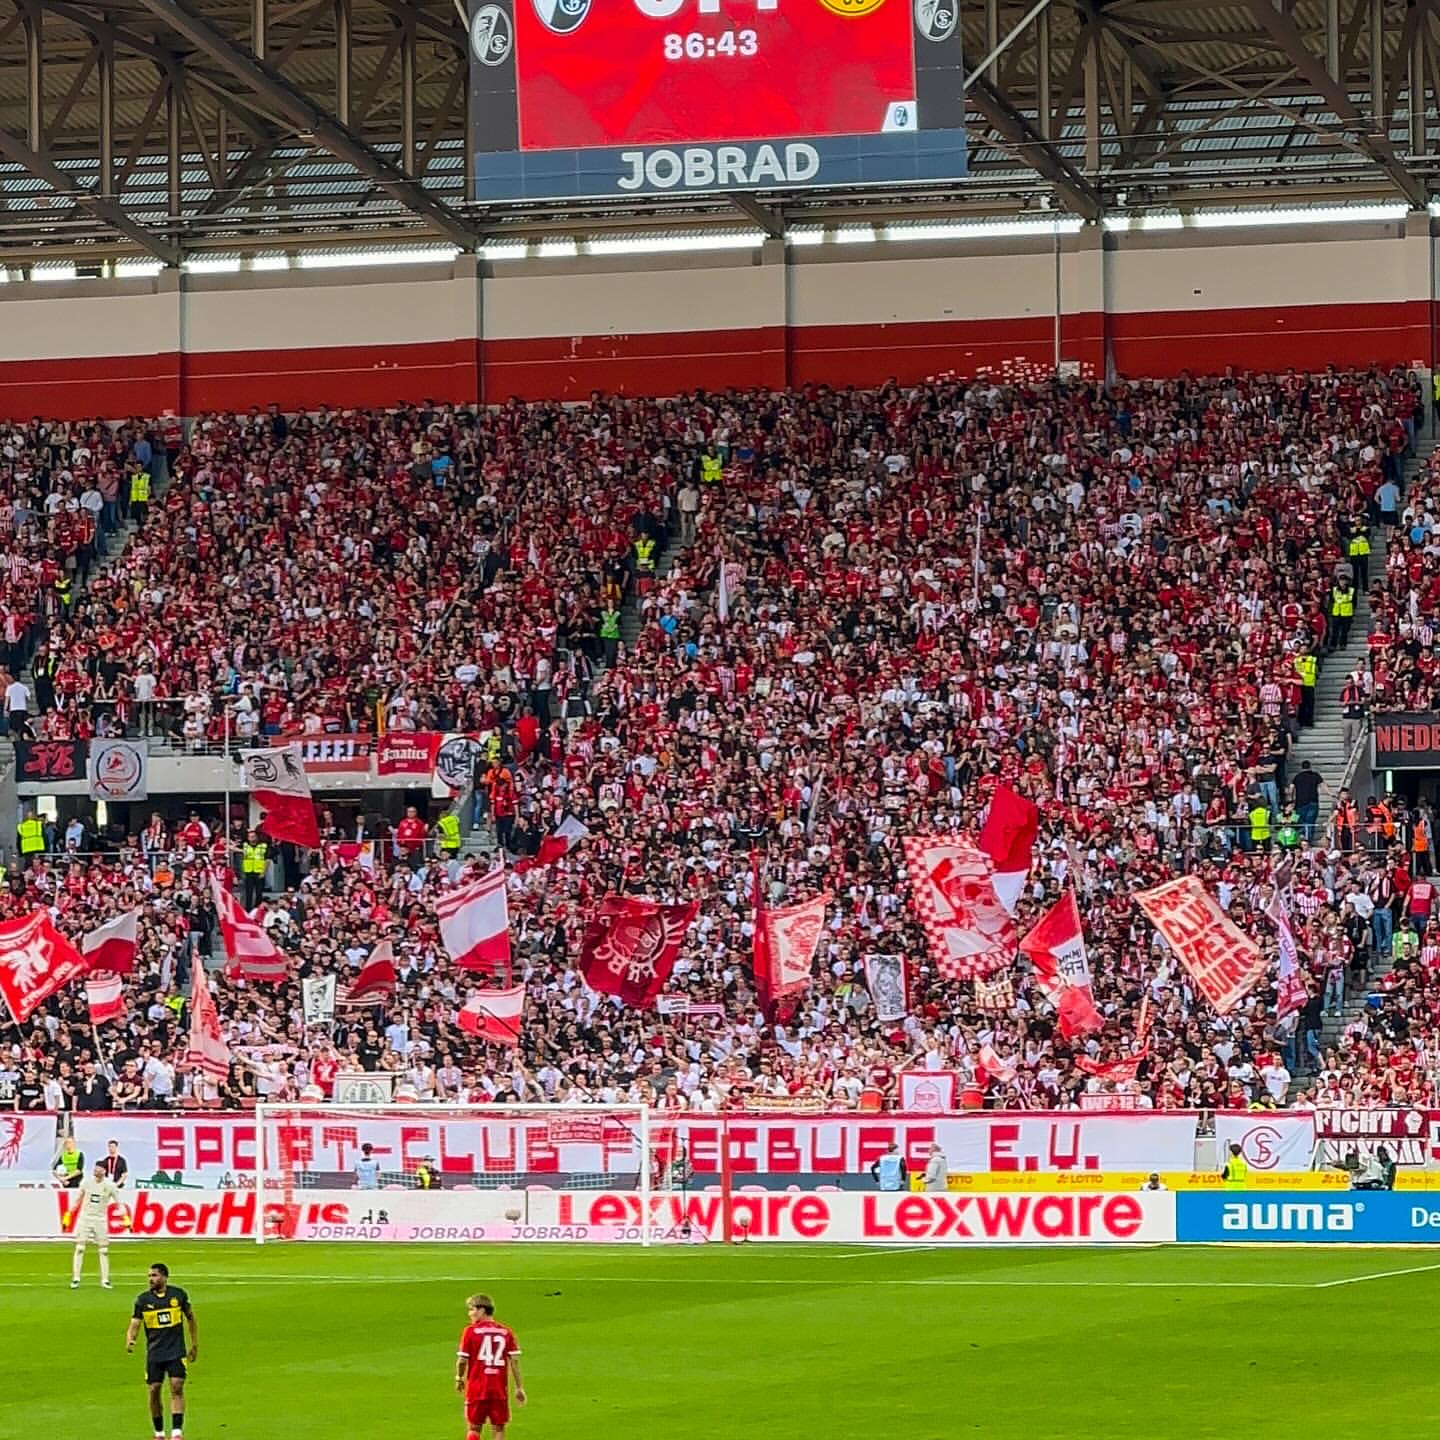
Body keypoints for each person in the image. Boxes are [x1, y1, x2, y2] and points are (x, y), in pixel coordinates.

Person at [126, 1262, 197, 1440]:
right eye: (149, 1276)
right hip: (155, 1353)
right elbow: (135, 1322)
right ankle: (158, 1433)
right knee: (154, 1390)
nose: (151, 1279)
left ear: (165, 1277)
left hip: (176, 1351)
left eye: (154, 1275)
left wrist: (194, 1344)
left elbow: (190, 1318)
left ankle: (177, 1432)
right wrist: (130, 1338)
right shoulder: (143, 1300)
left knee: (177, 1386)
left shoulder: (178, 1295)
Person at [456, 1292, 525, 1440]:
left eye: (472, 1309)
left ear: (482, 1310)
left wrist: (459, 1377)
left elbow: (462, 1360)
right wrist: (519, 1387)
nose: (470, 1314)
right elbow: (514, 1361)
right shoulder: (506, 1332)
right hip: (498, 1389)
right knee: (498, 1428)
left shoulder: (470, 1331)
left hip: (477, 1387)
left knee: (474, 1427)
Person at [65, 1160, 130, 1289]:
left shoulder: (110, 1185)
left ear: (104, 1171)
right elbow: (78, 1199)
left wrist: (125, 1218)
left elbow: (119, 1203)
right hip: (85, 1218)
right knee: (80, 1248)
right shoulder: (86, 1182)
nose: (96, 1170)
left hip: (100, 1220)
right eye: (95, 1168)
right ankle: (76, 1278)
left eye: (99, 1168)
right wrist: (69, 1214)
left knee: (104, 1250)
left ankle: (105, 1280)